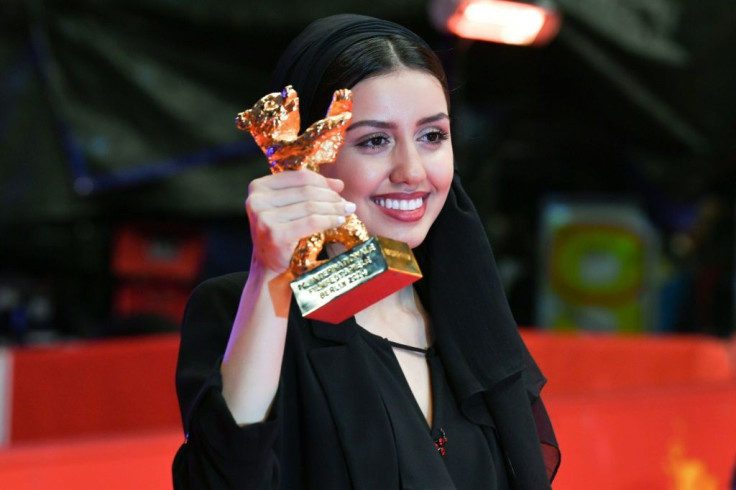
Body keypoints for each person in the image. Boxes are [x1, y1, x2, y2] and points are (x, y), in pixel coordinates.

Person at [173, 14, 560, 490]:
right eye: (374, 141)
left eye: (432, 136)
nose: (413, 171)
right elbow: (225, 479)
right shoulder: (244, 311)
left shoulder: (466, 319)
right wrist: (270, 274)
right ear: (306, 154)